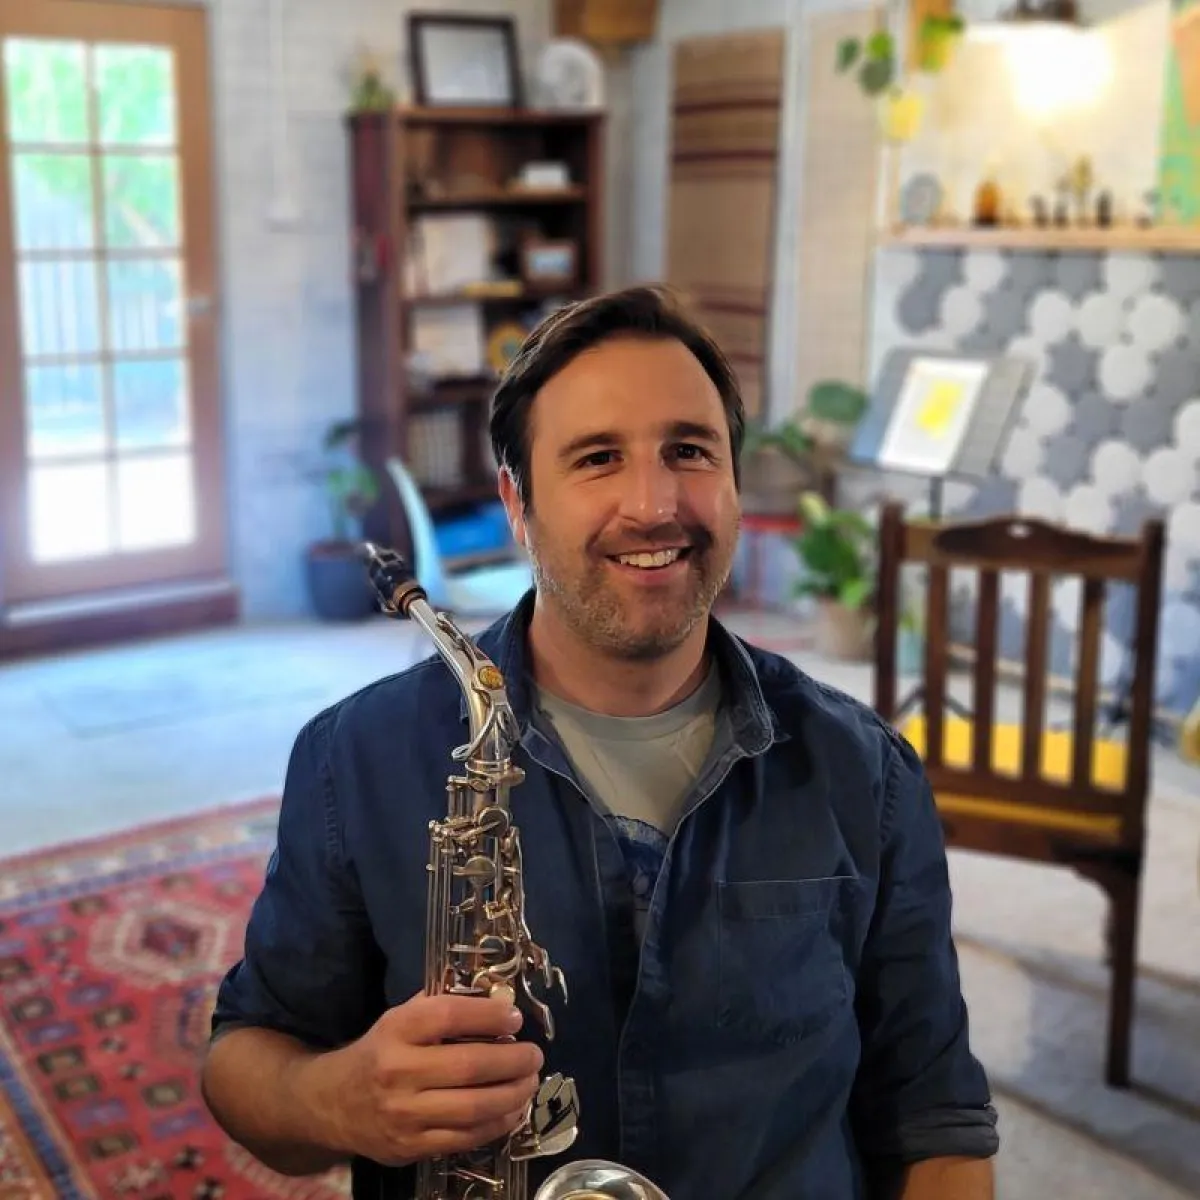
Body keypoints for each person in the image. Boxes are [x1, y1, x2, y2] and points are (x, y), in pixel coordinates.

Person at [201, 285, 999, 1199]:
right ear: (518, 503)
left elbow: (936, 1116)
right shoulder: (355, 757)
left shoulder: (868, 770)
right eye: (597, 458)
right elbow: (242, 1059)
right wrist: (339, 1101)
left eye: (689, 451)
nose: (652, 504)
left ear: (734, 483)